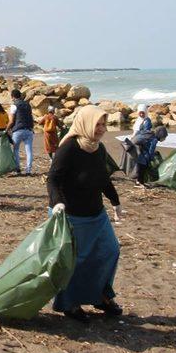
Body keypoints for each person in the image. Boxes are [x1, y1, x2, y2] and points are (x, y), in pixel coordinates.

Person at [47, 105, 124, 321]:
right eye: (97, 124)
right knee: (76, 261)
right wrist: (57, 203)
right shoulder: (69, 147)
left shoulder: (98, 148)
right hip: (72, 214)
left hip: (96, 215)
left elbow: (103, 178)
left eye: (103, 124)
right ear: (86, 123)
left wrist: (115, 202)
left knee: (110, 251)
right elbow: (53, 179)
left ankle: (101, 296)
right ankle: (70, 304)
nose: (101, 129)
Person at [6, 89, 35, 175]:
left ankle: (18, 169)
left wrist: (6, 130)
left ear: (12, 96)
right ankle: (28, 170)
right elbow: (31, 117)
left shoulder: (14, 106)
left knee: (16, 150)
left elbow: (11, 121)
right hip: (29, 129)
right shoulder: (28, 105)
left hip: (18, 130)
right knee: (29, 151)